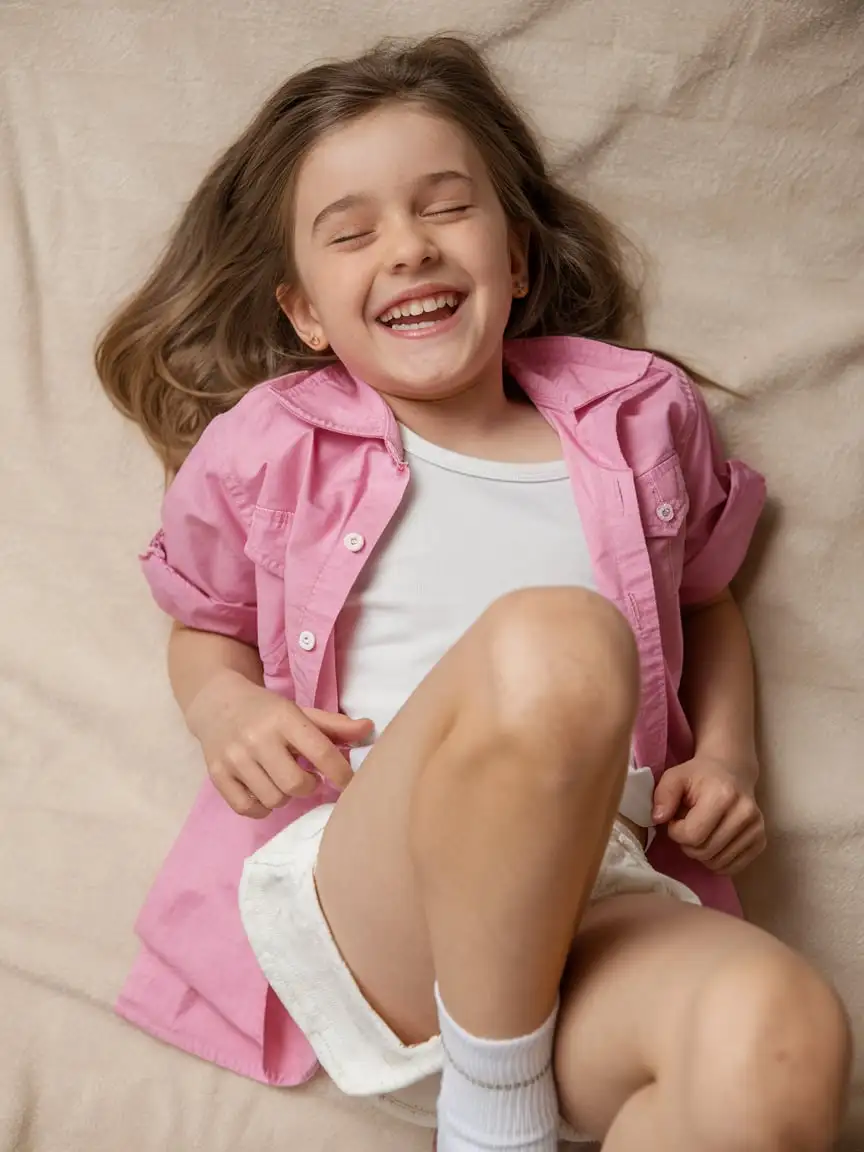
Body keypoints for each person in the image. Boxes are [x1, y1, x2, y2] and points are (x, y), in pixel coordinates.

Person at [96, 34, 852, 1152]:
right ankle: (492, 1118)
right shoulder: (273, 445)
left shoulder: (638, 414)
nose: (405, 249)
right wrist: (228, 709)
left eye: (445, 210)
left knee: (781, 1036)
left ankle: (513, 1089)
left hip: (596, 898)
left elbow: (706, 596)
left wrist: (728, 756)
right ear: (307, 314)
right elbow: (206, 620)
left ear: (521, 263)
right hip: (383, 892)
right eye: (353, 235)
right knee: (557, 642)